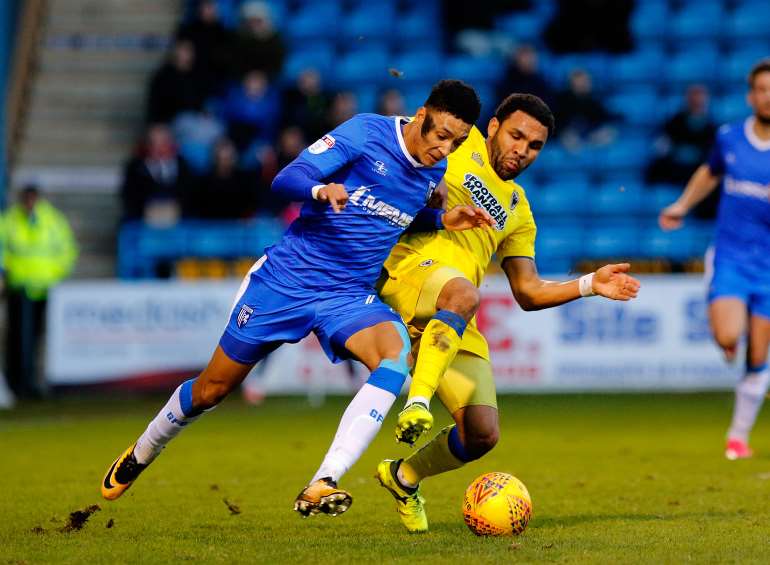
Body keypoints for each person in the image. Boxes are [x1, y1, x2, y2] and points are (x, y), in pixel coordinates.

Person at [100, 81, 494, 518]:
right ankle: (143, 449)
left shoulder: (434, 170)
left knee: (395, 354)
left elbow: (392, 215)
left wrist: (440, 219)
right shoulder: (366, 133)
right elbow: (288, 177)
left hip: (347, 295)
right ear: (422, 114)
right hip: (287, 281)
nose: (445, 148)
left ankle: (323, 481)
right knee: (213, 389)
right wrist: (319, 191)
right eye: (441, 134)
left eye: (457, 141)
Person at [374, 93, 640, 532]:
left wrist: (590, 284)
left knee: (482, 433)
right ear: (492, 126)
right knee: (463, 293)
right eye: (516, 135)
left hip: (452, 315)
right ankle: (416, 402)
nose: (522, 150)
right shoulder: (457, 143)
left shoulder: (518, 209)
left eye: (534, 146)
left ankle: (403, 477)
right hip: (408, 276)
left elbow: (529, 292)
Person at [659, 60, 770, 461]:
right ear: (750, 95)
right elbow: (709, 173)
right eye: (761, 89)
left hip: (769, 267)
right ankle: (723, 319)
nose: (767, 96)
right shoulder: (730, 138)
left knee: (758, 356)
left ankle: (737, 438)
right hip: (732, 257)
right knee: (728, 338)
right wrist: (682, 205)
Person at [2, 185, 78, 399]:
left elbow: (67, 250)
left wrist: (54, 274)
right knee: (19, 338)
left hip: (45, 288)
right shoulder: (10, 221)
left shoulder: (52, 220)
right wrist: (8, 273)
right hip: (20, 287)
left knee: (35, 337)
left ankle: (31, 382)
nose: (29, 204)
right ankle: (19, 383)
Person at [647, 85, 718, 219]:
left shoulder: (712, 127)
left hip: (698, 169)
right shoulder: (674, 122)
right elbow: (662, 146)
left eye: (700, 97)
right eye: (693, 97)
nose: (696, 101)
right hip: (675, 169)